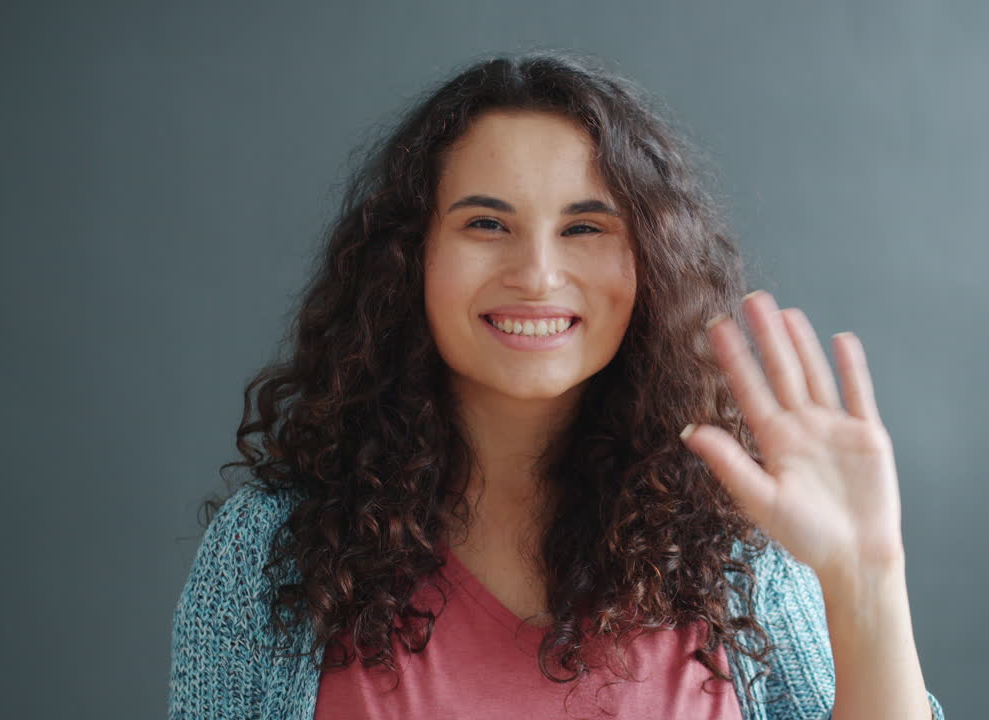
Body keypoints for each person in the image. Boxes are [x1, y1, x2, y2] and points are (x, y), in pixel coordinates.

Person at [168, 50, 945, 720]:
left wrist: (866, 579)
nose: (537, 274)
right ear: (409, 260)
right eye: (485, 224)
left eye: (584, 227)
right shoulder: (272, 551)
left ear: (648, 264)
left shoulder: (739, 554)